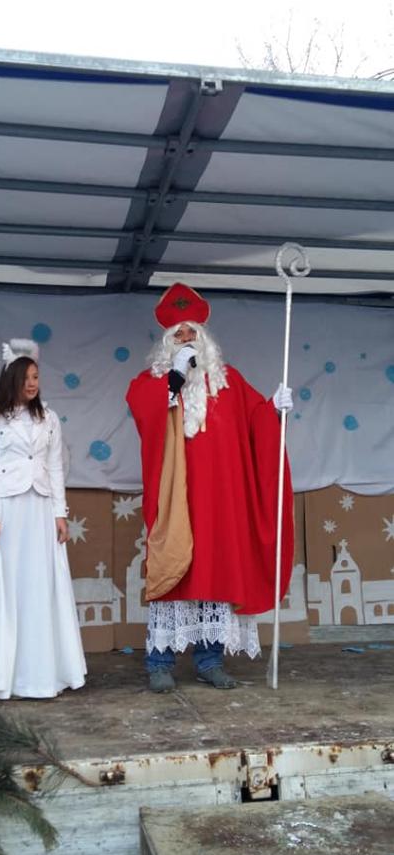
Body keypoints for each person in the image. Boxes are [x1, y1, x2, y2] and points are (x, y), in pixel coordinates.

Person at [126, 284, 294, 693]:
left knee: (216, 574)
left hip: (220, 500)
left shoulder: (228, 381)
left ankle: (210, 660)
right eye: (178, 333)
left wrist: (274, 409)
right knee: (172, 571)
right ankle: (159, 662)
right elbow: (142, 409)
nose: (186, 338)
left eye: (192, 331)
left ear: (205, 337)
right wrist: (174, 379)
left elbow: (256, 420)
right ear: (167, 342)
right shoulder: (154, 381)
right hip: (177, 499)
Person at [0, 338, 86, 700]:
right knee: (8, 584)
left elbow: (55, 467)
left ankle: (42, 674)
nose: (32, 384)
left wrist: (60, 513)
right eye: (26, 378)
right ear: (11, 379)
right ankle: (5, 675)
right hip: (7, 510)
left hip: (41, 509)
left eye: (36, 377)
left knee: (39, 584)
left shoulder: (49, 418)